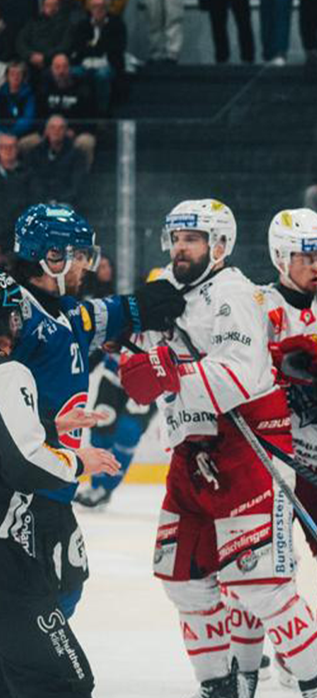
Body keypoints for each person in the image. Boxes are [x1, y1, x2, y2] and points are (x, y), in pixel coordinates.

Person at [118, 198, 317, 698]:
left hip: (248, 446)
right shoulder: (165, 289)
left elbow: (237, 376)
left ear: (219, 246)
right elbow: (138, 377)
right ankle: (218, 688)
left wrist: (164, 371)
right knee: (183, 581)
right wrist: (127, 332)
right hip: (192, 453)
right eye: (176, 238)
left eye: (192, 239)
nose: (180, 248)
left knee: (260, 586)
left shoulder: (235, 293)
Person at [6, 203, 184, 619]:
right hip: (17, 493)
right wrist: (46, 427)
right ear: (52, 257)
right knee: (35, 612)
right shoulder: (13, 311)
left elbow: (125, 309)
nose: (87, 264)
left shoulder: (70, 312)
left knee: (66, 589)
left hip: (55, 488)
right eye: (80, 254)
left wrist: (170, 291)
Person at [219, 209, 317, 697]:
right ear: (281, 257)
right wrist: (280, 368)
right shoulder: (258, 305)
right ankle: (245, 669)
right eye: (307, 256)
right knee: (256, 571)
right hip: (268, 464)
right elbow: (238, 369)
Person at [0, 269, 119, 698]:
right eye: (12, 318)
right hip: (8, 567)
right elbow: (24, 463)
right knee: (66, 680)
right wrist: (78, 460)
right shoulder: (9, 373)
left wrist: (50, 426)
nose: (17, 328)